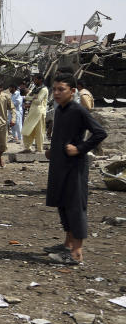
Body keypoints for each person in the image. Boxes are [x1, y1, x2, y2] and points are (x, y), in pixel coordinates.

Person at [45, 73, 107, 263]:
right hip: (59, 164)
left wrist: (80, 148)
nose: (56, 93)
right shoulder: (60, 110)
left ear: (72, 91)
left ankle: (76, 253)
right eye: (54, 89)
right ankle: (67, 243)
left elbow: (100, 133)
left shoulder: (78, 110)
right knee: (62, 203)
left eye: (61, 89)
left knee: (75, 206)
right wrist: (52, 150)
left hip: (74, 166)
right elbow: (62, 135)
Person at [22, 73, 48, 153]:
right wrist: (33, 97)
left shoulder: (44, 89)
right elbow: (26, 97)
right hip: (32, 112)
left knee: (39, 131)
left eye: (35, 79)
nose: (34, 80)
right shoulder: (35, 89)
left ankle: (39, 149)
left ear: (40, 80)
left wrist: (31, 98)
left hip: (39, 112)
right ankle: (27, 148)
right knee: (26, 129)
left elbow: (38, 101)